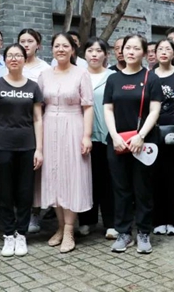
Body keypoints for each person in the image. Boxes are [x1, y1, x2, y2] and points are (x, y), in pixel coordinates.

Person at [104, 34, 163, 254]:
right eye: (127, 47)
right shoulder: (113, 79)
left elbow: (155, 110)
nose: (130, 52)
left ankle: (144, 232)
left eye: (136, 48)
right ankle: (123, 233)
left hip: (143, 143)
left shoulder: (151, 78)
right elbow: (108, 109)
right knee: (121, 189)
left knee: (143, 189)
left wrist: (141, 136)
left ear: (144, 53)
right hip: (117, 142)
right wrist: (115, 136)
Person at [38, 33, 94, 253]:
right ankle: (60, 226)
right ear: (52, 49)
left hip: (74, 126)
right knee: (53, 176)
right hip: (49, 126)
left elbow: (88, 106)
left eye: (65, 46)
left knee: (72, 176)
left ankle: (70, 228)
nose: (60, 49)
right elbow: (39, 107)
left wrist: (86, 136)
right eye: (56, 46)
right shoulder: (44, 75)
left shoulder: (82, 74)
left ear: (72, 49)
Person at [0, 44, 44, 257]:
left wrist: (39, 149)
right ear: (5, 59)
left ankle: (22, 234)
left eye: (18, 55)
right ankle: (8, 234)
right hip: (2, 145)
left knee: (25, 191)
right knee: (5, 191)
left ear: (24, 59)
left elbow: (38, 119)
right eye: (10, 55)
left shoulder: (33, 87)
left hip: (27, 145)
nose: (14, 59)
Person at [78, 38, 118, 239]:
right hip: (82, 135)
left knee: (108, 180)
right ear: (84, 54)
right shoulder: (77, 75)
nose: (94, 54)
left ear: (106, 54)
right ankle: (87, 220)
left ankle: (111, 223)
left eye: (98, 50)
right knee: (86, 179)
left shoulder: (113, 77)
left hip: (107, 135)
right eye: (90, 50)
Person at [18, 28, 51, 233]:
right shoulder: (13, 64)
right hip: (14, 124)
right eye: (22, 41)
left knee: (35, 170)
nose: (26, 44)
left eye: (30, 41)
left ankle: (35, 212)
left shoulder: (45, 69)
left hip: (37, 122)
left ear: (38, 45)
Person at [152, 39, 174, 236]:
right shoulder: (149, 74)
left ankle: (173, 220)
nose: (163, 52)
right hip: (153, 129)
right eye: (160, 49)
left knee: (173, 176)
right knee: (155, 176)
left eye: (167, 49)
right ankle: (158, 220)